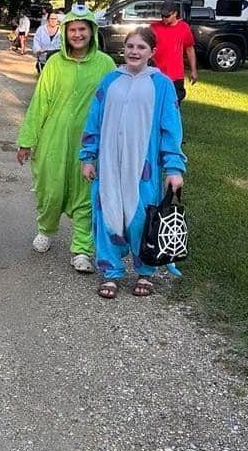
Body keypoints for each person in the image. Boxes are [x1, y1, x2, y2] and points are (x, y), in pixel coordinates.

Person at [80, 27, 186, 299]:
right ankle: (111, 271)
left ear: (152, 52)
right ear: (123, 49)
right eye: (130, 46)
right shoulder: (110, 81)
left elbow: (170, 127)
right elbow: (95, 119)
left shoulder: (161, 84)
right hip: (109, 164)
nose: (134, 52)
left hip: (143, 168)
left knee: (141, 218)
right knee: (108, 215)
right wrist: (88, 156)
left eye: (140, 47)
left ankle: (145, 272)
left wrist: (173, 167)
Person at [16, 5, 115, 272]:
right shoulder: (54, 64)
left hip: (89, 141)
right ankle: (46, 229)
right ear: (65, 32)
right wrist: (27, 140)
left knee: (85, 191)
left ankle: (81, 249)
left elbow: (115, 105)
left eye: (83, 29)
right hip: (54, 138)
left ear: (92, 31)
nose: (78, 34)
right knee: (51, 188)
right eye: (73, 29)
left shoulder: (105, 64)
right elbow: (40, 103)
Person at [151, 1, 198, 105]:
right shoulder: (154, 27)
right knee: (155, 102)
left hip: (175, 75)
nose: (164, 18)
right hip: (156, 73)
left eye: (167, 16)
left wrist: (193, 70)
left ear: (175, 14)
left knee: (174, 103)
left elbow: (189, 49)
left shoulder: (184, 27)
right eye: (162, 16)